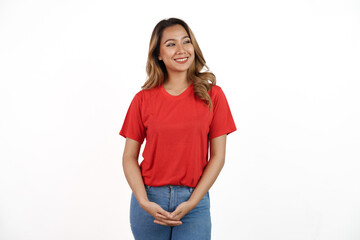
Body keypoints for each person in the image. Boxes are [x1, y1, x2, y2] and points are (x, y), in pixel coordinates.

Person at [119, 17, 237, 240]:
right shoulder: (142, 100)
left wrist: (193, 201)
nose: (181, 50)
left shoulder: (214, 95)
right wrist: (143, 201)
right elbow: (129, 157)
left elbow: (218, 157)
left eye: (186, 41)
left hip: (195, 200)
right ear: (158, 54)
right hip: (149, 201)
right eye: (171, 44)